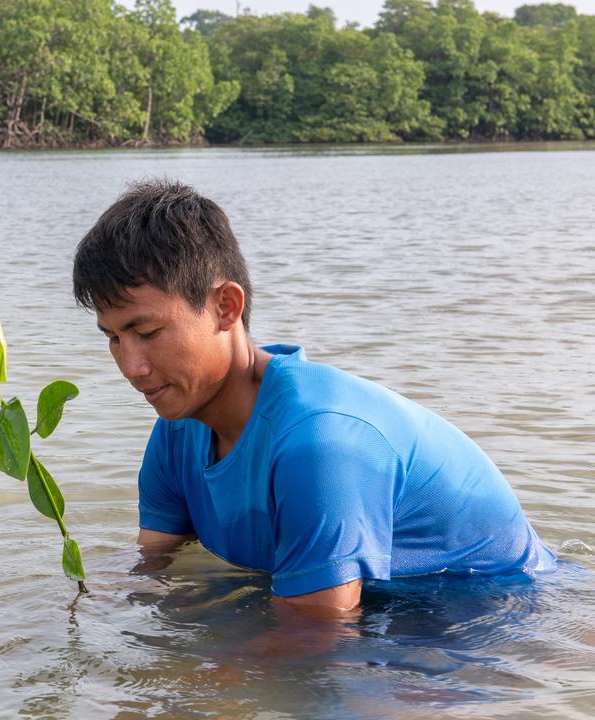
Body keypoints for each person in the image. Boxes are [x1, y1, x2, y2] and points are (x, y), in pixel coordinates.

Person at [72, 180, 556, 615]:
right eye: (113, 338)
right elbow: (153, 567)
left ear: (225, 307)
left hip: (495, 619)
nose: (132, 367)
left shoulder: (319, 442)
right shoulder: (178, 430)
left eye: (148, 332)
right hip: (381, 613)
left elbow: (313, 647)